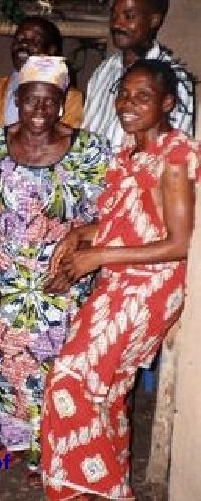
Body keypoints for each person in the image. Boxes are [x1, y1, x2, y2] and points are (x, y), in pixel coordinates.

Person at [41, 59, 198, 500]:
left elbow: (180, 242)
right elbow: (125, 221)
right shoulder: (128, 155)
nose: (128, 104)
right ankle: (94, 487)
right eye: (124, 94)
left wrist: (99, 256)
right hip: (120, 280)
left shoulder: (175, 154)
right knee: (106, 389)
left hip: (152, 285)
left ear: (167, 103)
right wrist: (79, 235)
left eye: (142, 96)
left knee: (70, 379)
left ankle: (105, 487)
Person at [0, 56, 110, 486]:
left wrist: (79, 246)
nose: (40, 111)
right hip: (10, 271)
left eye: (50, 102)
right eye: (31, 101)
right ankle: (12, 440)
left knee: (53, 360)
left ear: (62, 102)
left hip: (62, 273)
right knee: (7, 357)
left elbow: (104, 213)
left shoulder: (89, 149)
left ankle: (46, 448)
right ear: (17, 100)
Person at [83, 0, 195, 153]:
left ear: (154, 20)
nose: (117, 24)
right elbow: (87, 129)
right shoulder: (104, 70)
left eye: (129, 16)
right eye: (114, 15)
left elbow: (174, 150)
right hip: (92, 174)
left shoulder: (174, 78)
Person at [0, 16, 83, 160]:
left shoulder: (70, 98)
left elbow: (69, 149)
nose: (24, 44)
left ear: (51, 50)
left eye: (34, 40)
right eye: (19, 39)